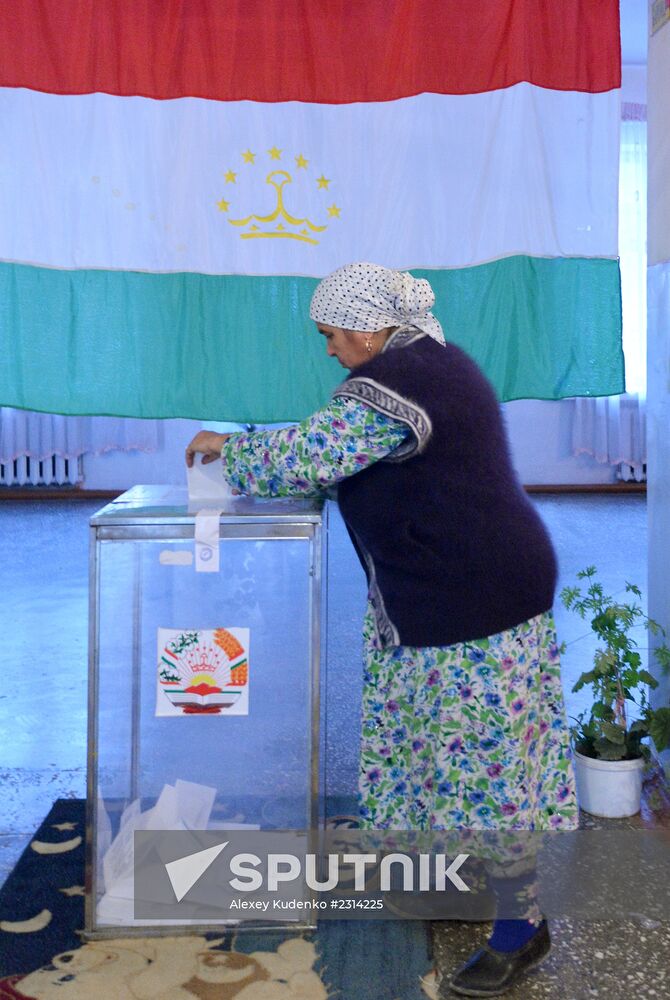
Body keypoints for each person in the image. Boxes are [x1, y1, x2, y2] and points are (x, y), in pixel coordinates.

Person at [185, 262, 578, 997]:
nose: (329, 350)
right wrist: (251, 443)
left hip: (470, 605)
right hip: (464, 591)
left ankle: (522, 929)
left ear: (368, 329)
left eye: (331, 335)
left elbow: (307, 456)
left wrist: (224, 446)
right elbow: (326, 441)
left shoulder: (392, 390)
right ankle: (460, 881)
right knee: (439, 751)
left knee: (484, 774)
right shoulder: (432, 363)